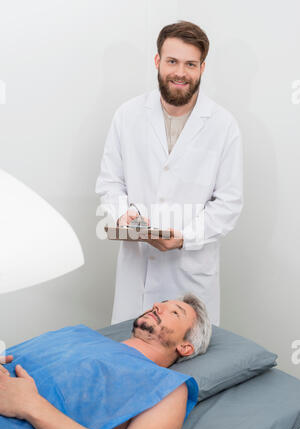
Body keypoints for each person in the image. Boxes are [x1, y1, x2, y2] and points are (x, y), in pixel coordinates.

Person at [95, 21, 243, 326]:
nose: (180, 72)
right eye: (172, 61)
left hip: (190, 275)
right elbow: (110, 183)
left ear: (202, 68)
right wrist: (126, 217)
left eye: (190, 64)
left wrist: (184, 238)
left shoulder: (223, 125)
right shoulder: (127, 116)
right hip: (137, 270)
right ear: (157, 62)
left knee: (187, 362)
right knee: (132, 357)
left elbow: (228, 203)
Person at [0, 294, 211, 429]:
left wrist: (32, 406)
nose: (156, 306)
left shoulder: (168, 386)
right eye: (160, 303)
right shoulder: (77, 333)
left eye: (175, 312)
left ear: (185, 347)